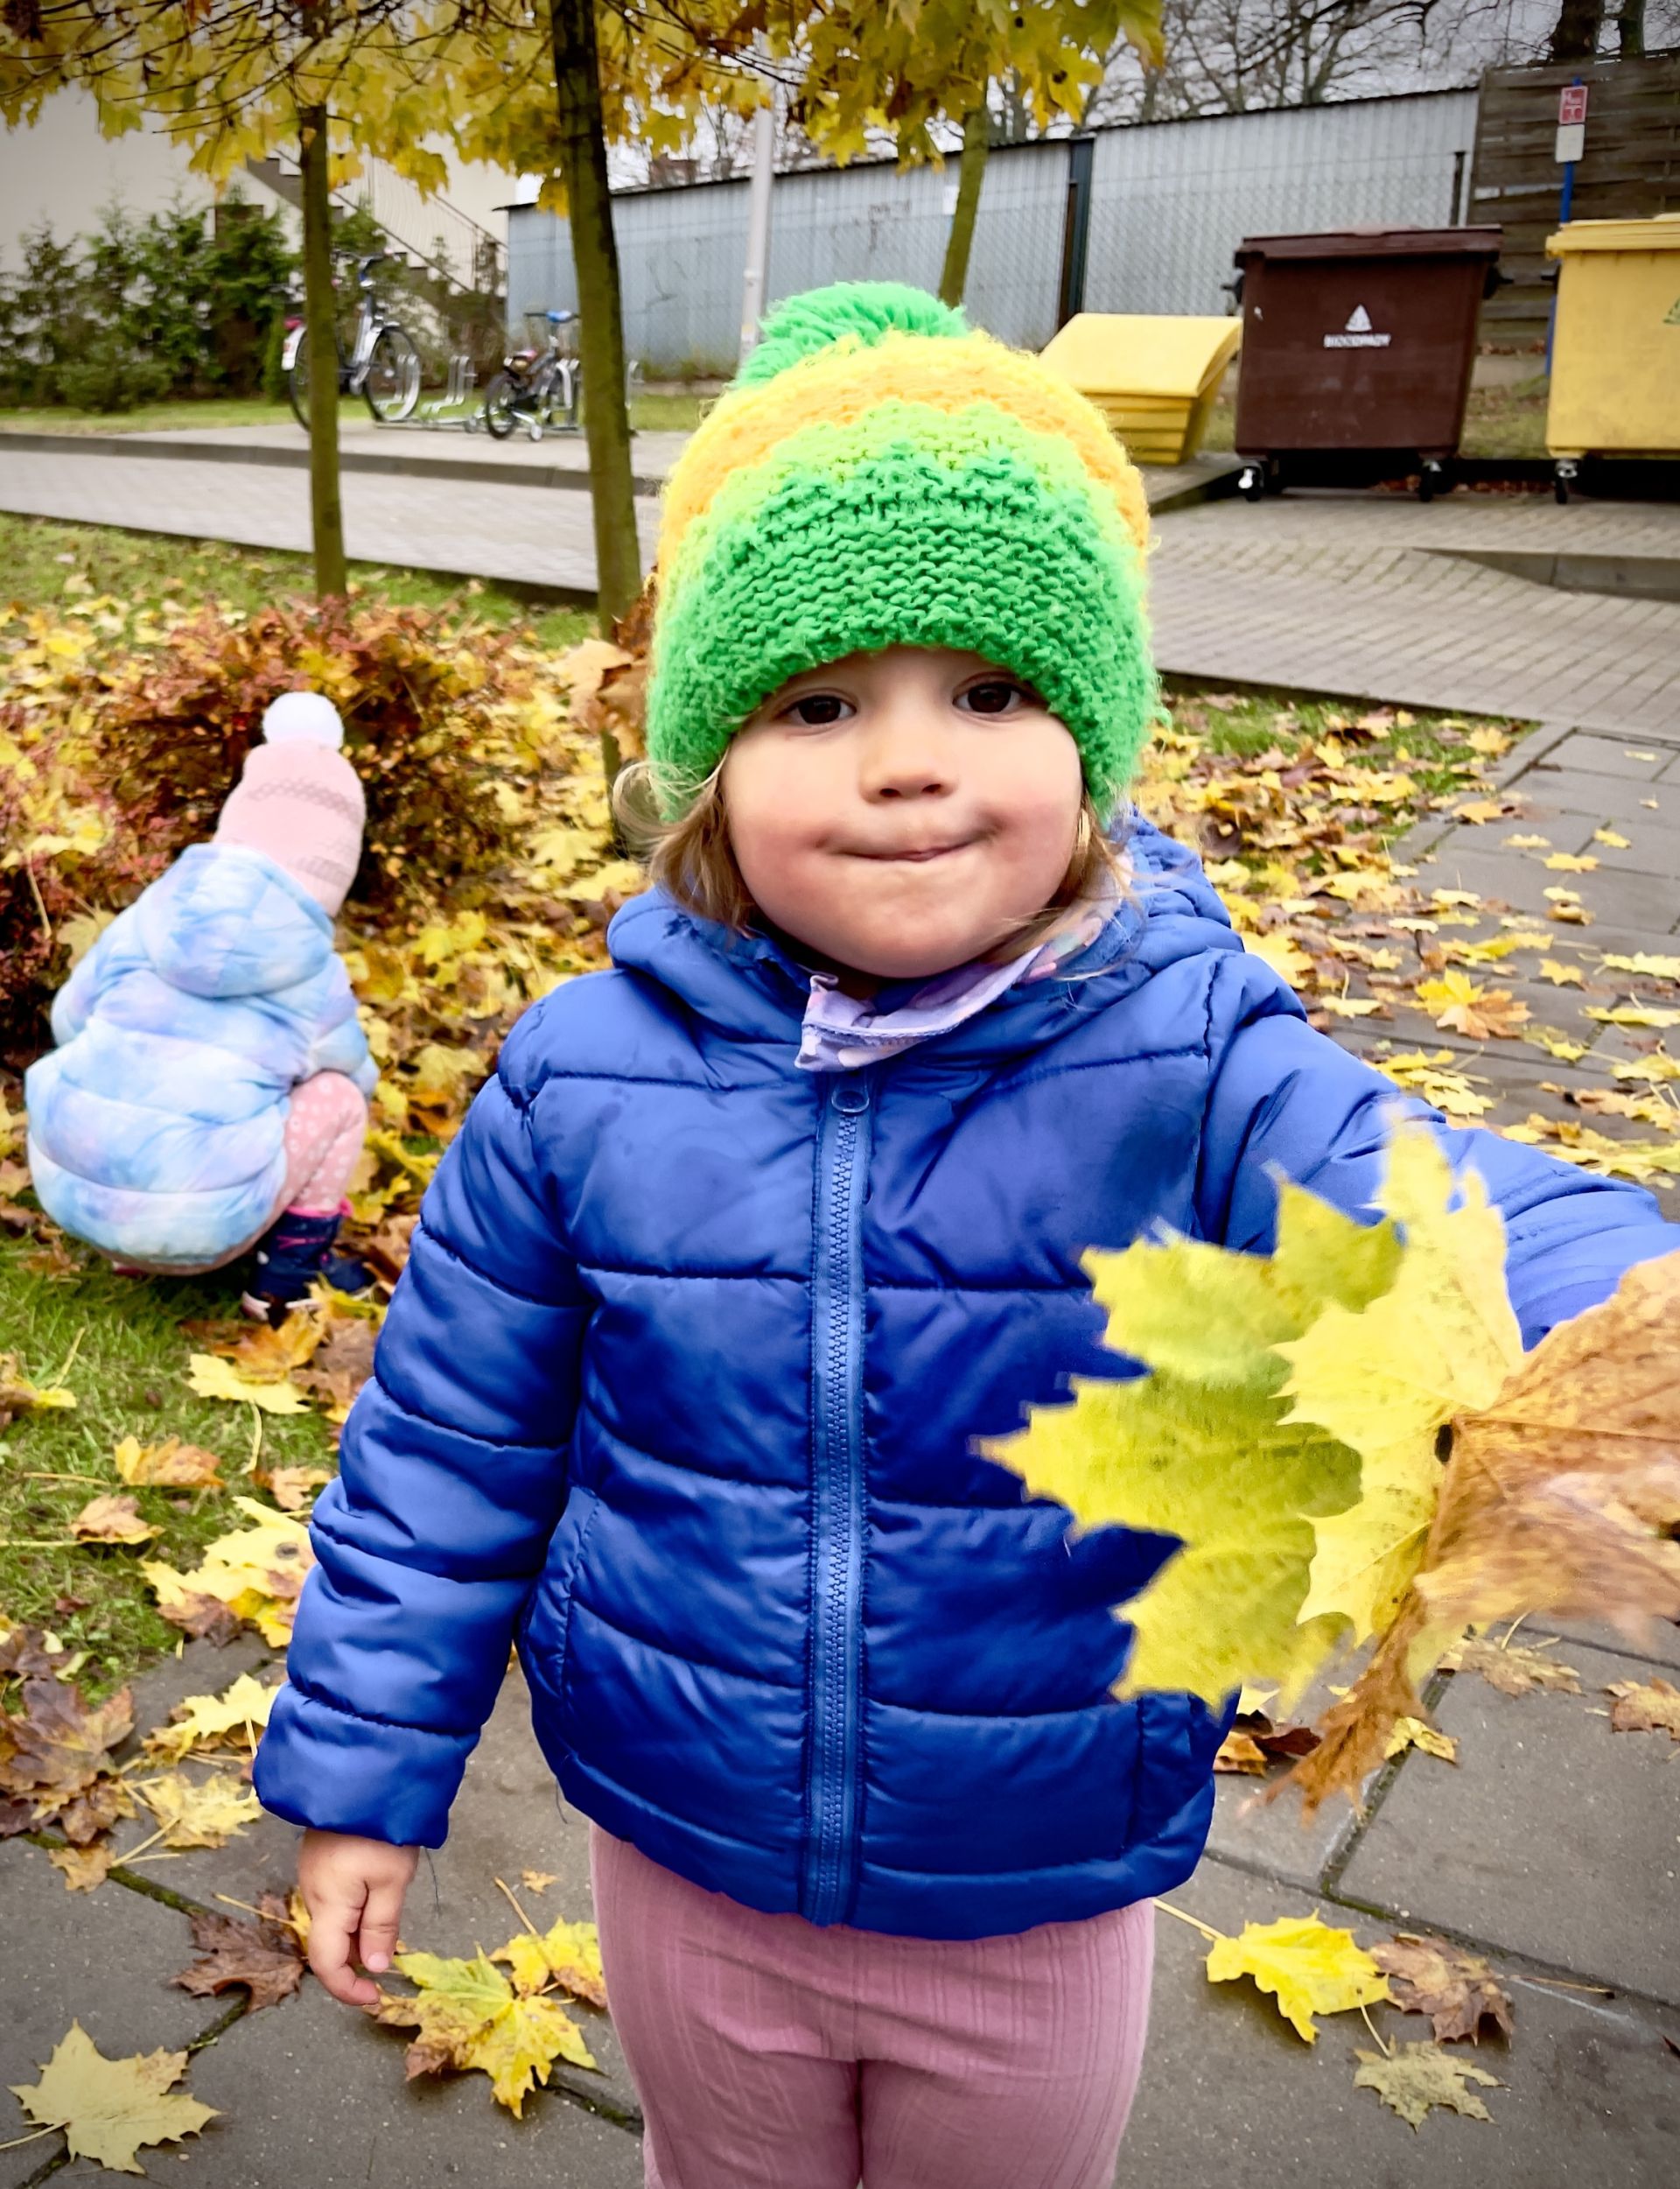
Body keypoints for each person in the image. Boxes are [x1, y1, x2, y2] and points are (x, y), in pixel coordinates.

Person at [252, 284, 1678, 2189]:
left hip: (1037, 1871)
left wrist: (1633, 1317)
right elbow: (448, 1450)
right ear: (708, 769)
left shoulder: (1191, 1054)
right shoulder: (582, 1078)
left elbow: (1430, 1197)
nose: (908, 760)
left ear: (1093, 743)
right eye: (819, 703)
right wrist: (364, 1777)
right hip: (687, 1847)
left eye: (990, 693)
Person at [24, 691, 375, 1322]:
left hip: (74, 1193)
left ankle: (127, 1246)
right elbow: (355, 1073)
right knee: (341, 1099)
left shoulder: (147, 918)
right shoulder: (314, 976)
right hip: (199, 1232)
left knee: (129, 1057)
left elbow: (69, 1019)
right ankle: (284, 1280)